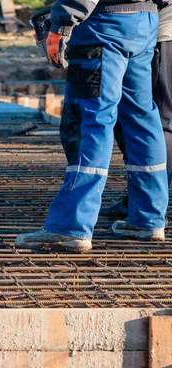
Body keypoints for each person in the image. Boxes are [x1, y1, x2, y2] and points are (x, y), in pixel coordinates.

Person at [16, 0, 168, 252]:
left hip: (104, 24)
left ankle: (70, 226)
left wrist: (62, 23)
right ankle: (148, 218)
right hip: (145, 20)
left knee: (92, 120)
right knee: (142, 119)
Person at [100, 4, 172, 218]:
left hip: (160, 32)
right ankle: (145, 201)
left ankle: (148, 204)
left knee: (159, 119)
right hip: (152, 29)